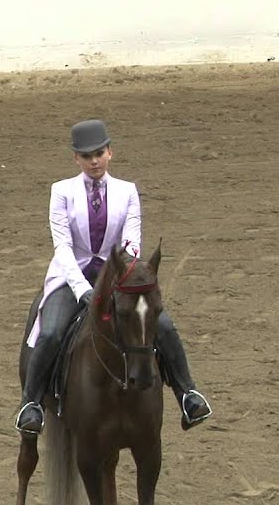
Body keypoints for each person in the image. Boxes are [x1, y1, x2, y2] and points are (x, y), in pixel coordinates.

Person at [16, 119, 212, 435]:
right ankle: (31, 404)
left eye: (99, 153)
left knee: (161, 325)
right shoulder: (61, 192)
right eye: (86, 155)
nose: (94, 161)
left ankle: (187, 393)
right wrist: (82, 289)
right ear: (76, 159)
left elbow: (131, 241)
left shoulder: (127, 192)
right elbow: (63, 247)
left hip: (118, 278)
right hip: (71, 278)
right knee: (51, 332)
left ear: (110, 153)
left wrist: (118, 277)